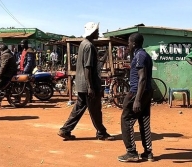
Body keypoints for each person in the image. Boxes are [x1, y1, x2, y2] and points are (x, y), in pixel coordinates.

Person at [58, 22, 114, 141]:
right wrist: (90, 86)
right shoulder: (89, 46)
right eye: (97, 31)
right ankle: (101, 132)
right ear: (92, 32)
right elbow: (87, 67)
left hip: (82, 83)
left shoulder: (84, 44)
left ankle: (65, 130)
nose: (98, 33)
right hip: (88, 83)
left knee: (79, 108)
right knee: (95, 109)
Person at [118, 33, 154, 162]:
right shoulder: (145, 55)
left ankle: (131, 152)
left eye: (129, 42)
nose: (128, 45)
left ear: (134, 44)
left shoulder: (139, 56)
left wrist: (137, 99)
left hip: (136, 92)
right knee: (144, 120)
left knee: (126, 119)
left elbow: (142, 78)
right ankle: (148, 152)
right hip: (147, 91)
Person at [0, 44, 17, 110]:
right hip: (10, 73)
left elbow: (3, 67)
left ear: (2, 50)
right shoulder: (9, 54)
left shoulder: (5, 55)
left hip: (7, 74)